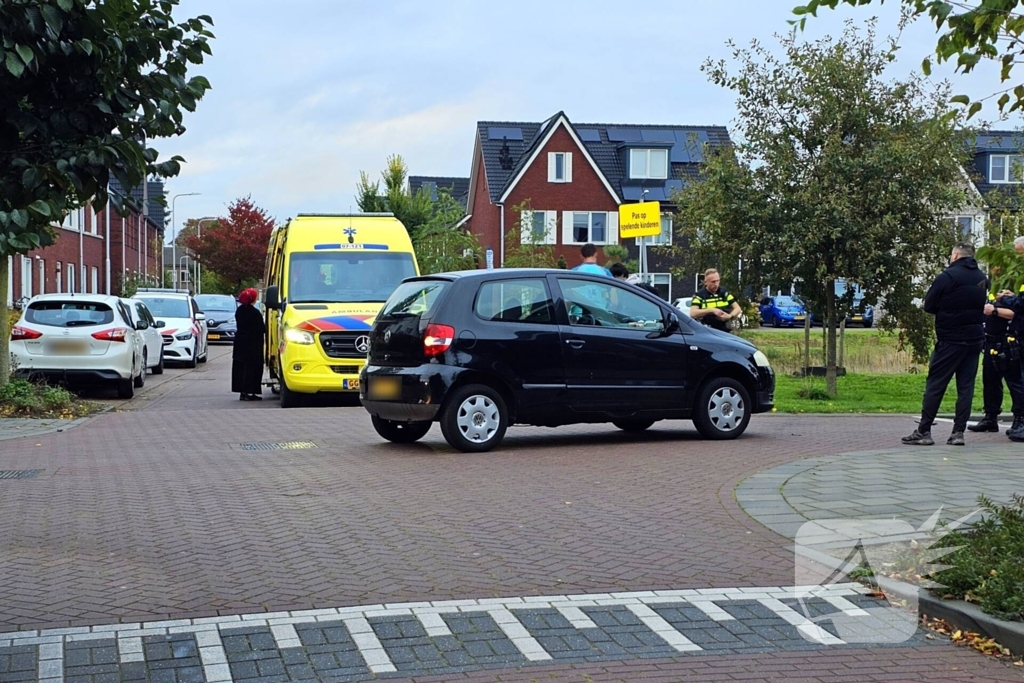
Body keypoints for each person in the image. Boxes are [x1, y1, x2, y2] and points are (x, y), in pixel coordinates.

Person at [903, 242, 987, 446]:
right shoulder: (983, 278)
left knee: (936, 384)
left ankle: (924, 431)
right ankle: (958, 432)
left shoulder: (946, 277)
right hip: (975, 338)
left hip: (950, 339)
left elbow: (929, 305)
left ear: (956, 256)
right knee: (965, 387)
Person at [232, 288, 266, 401]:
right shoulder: (255, 313)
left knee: (241, 368)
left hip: (240, 343)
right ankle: (250, 392)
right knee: (252, 369)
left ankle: (242, 392)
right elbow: (261, 328)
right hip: (253, 345)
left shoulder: (239, 310)